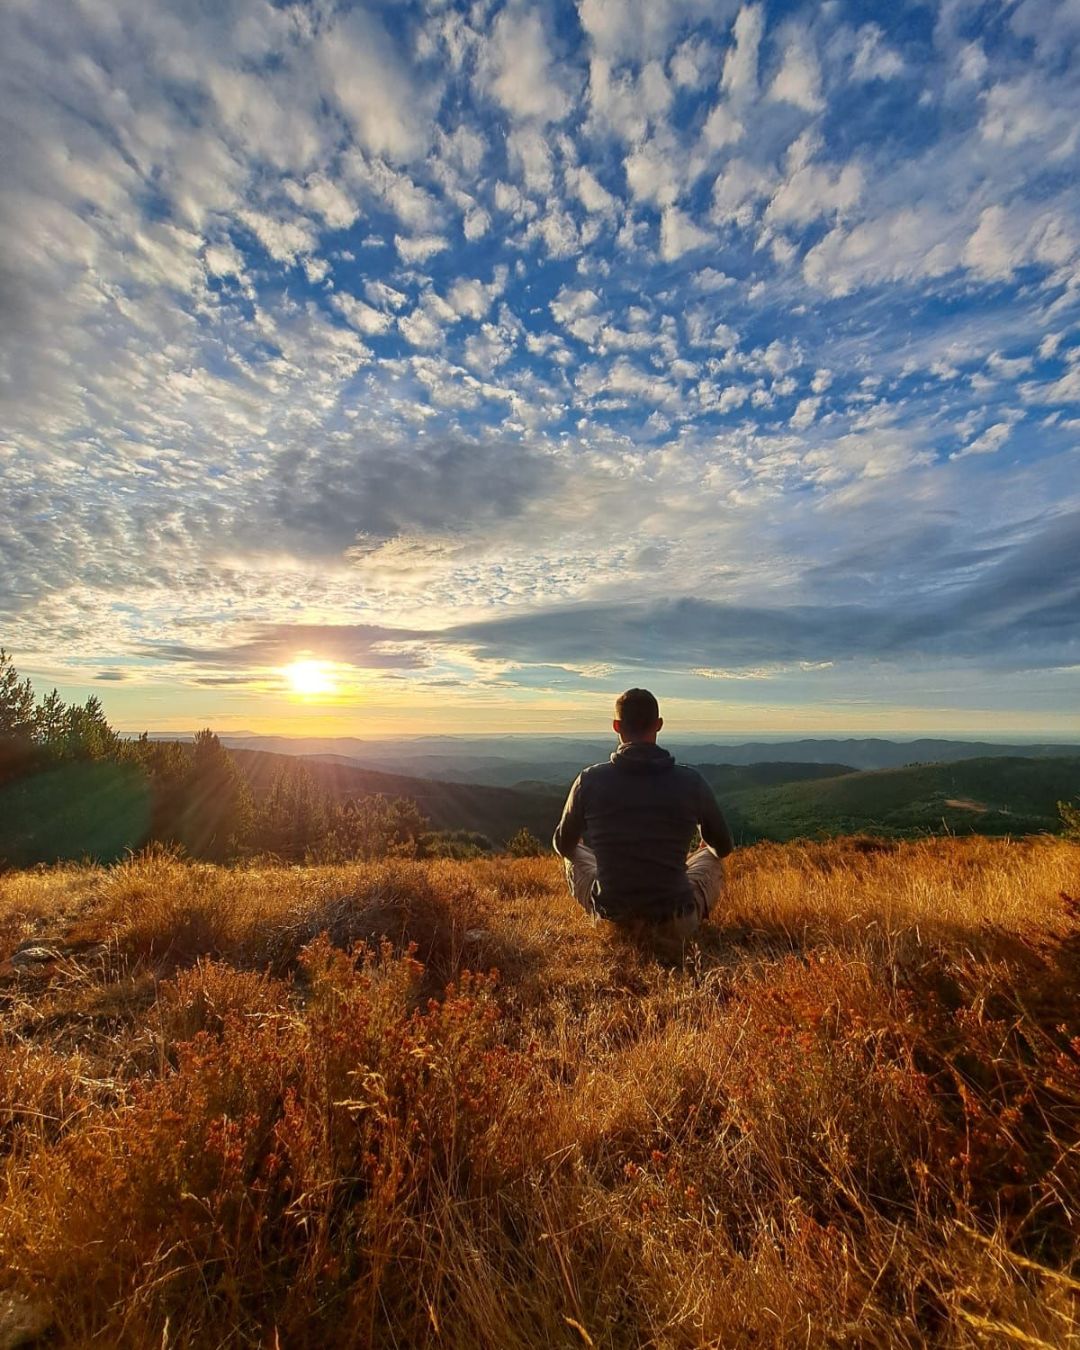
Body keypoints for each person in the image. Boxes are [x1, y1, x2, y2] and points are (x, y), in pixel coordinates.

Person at [553, 688, 734, 958]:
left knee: (571, 852)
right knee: (711, 855)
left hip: (612, 917)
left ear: (616, 726)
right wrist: (702, 848)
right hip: (677, 919)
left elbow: (562, 844)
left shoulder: (589, 780)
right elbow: (724, 847)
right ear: (659, 725)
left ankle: (617, 920)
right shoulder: (691, 781)